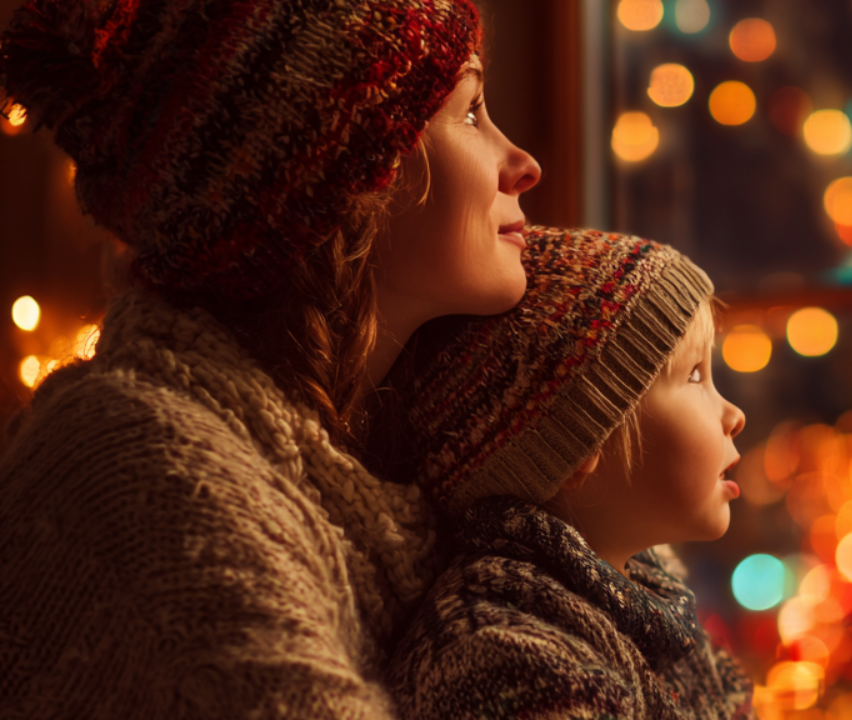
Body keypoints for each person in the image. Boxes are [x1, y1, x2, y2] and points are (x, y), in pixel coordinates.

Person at [0, 0, 539, 717]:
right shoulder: (146, 472)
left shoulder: (419, 442)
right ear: (346, 172)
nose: (524, 165)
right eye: (470, 112)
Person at [382, 226, 756, 719]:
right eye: (694, 376)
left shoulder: (650, 603)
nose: (735, 415)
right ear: (584, 442)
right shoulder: (507, 660)